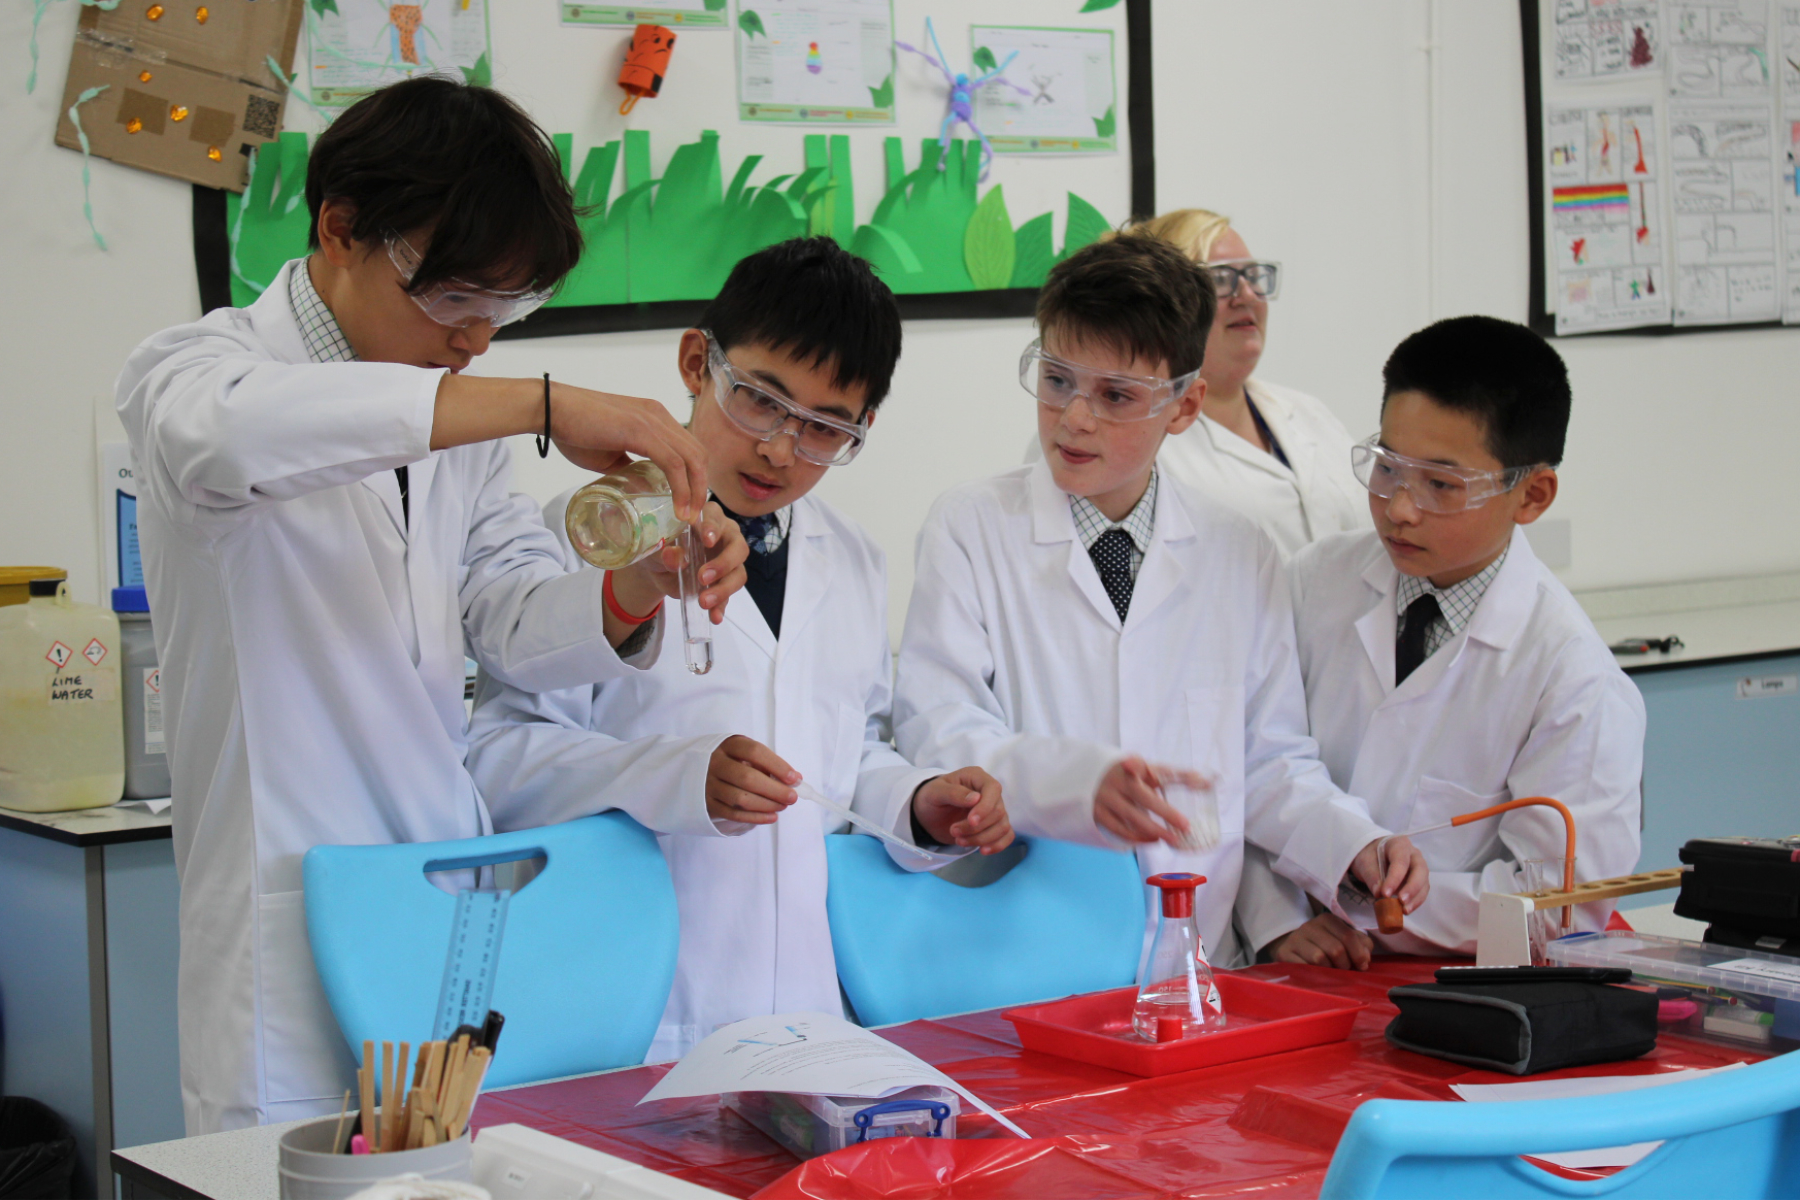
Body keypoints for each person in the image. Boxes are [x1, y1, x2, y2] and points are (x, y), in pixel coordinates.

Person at [116, 78, 751, 1134]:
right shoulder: (194, 373)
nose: (478, 343)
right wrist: (548, 403)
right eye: (458, 302)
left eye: (506, 314)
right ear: (341, 229)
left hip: (442, 908)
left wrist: (640, 582)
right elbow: (234, 436)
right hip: (284, 925)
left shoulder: (460, 430)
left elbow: (507, 621)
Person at [467, 238, 1013, 1062]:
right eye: (761, 400)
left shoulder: (853, 556)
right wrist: (678, 779)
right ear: (697, 362)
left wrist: (918, 803)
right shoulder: (588, 533)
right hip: (635, 1018)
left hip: (808, 1017)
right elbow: (499, 762)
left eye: (826, 427)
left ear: (863, 427)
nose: (781, 449)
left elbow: (845, 752)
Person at [891, 235, 1426, 969]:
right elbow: (938, 728)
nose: (1075, 417)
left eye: (1115, 395)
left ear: (1185, 405)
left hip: (1198, 956)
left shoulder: (1240, 552)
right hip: (1026, 958)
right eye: (1055, 380)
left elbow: (1268, 758)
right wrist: (1073, 784)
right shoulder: (970, 526)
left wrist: (1352, 840)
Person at [1256, 317, 1644, 965]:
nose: (1400, 507)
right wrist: (1273, 921)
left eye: (1441, 484)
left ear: (1533, 495)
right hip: (1289, 955)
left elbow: (1554, 904)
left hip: (1445, 991)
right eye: (1387, 467)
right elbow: (1253, 763)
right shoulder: (1313, 582)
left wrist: (1364, 905)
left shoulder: (1575, 680)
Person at [1123, 208, 1367, 558]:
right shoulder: (1141, 439)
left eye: (1254, 276)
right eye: (1220, 279)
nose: (1248, 295)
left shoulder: (1308, 412)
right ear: (1165, 305)